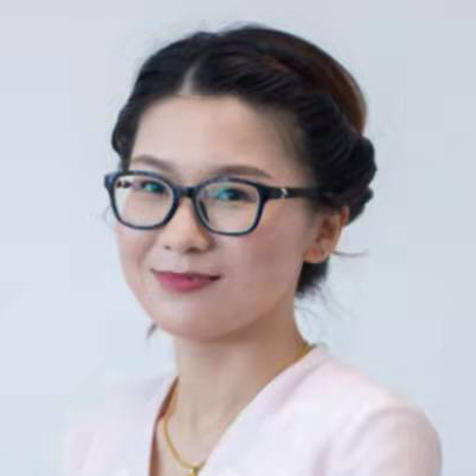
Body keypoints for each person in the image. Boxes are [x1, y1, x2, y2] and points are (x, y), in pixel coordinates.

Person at [62, 23, 442, 476]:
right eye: (151, 185)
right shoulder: (100, 434)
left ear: (324, 230)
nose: (181, 235)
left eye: (230, 193)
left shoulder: (367, 435)